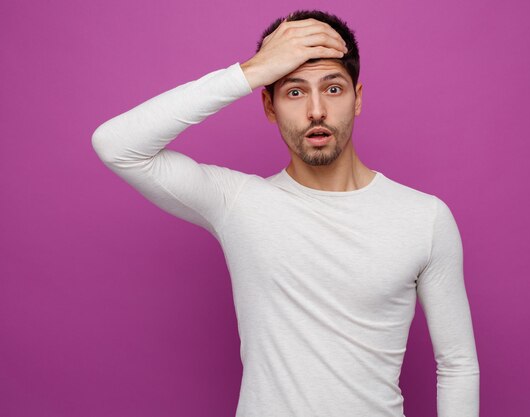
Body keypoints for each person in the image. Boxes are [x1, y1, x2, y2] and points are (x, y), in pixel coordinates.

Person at [91, 9, 480, 417]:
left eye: (333, 89)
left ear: (358, 98)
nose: (316, 110)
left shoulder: (424, 218)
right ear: (269, 105)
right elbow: (117, 145)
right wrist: (252, 70)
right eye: (294, 92)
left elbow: (457, 366)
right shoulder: (239, 203)